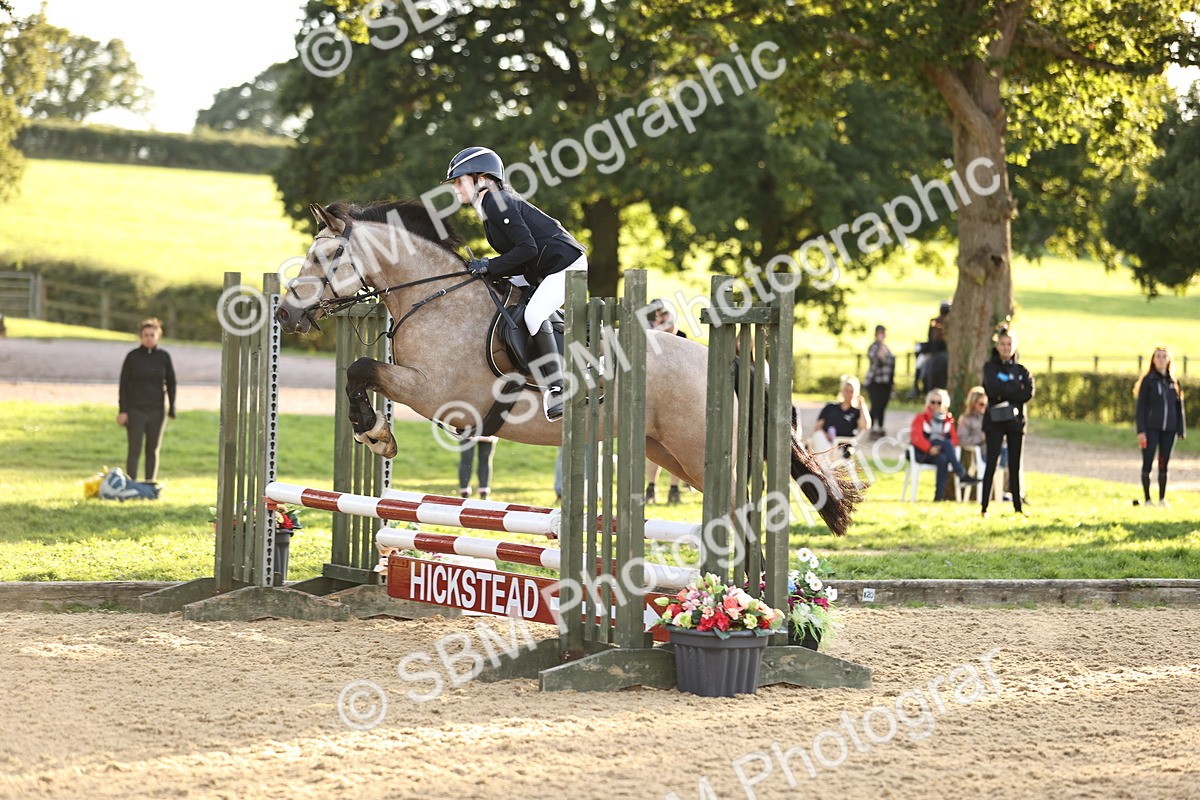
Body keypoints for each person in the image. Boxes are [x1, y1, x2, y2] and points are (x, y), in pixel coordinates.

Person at [448, 146, 587, 422]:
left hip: (566, 266)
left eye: (460, 180)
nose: (455, 188)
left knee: (535, 314)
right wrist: (491, 269)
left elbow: (527, 248)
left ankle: (559, 387)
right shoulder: (489, 206)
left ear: (483, 179)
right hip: (541, 268)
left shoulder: (498, 203)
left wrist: (490, 265)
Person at [980, 326, 1034, 518]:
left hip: (1016, 422)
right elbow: (992, 390)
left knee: (1015, 464)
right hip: (995, 421)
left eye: (1009, 344)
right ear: (997, 345)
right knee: (992, 462)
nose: (1006, 347)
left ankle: (1018, 507)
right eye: (1003, 344)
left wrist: (1006, 388)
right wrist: (1013, 387)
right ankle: (984, 506)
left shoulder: (1022, 370)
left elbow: (1027, 393)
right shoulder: (990, 367)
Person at [117, 317, 176, 483]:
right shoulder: (132, 357)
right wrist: (123, 410)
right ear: (140, 337)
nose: (149, 338)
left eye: (152, 334)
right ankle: (131, 484)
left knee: (152, 449)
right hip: (135, 409)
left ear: (158, 336)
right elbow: (123, 385)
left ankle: (149, 483)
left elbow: (171, 382)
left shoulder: (164, 357)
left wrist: (172, 407)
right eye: (145, 335)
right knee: (134, 449)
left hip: (157, 410)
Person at [1134, 346, 1186, 508]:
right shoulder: (1148, 381)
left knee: (1164, 463)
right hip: (1150, 430)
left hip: (1169, 430)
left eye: (1164, 356)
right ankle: (1148, 500)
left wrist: (1180, 429)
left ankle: (1162, 499)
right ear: (1153, 360)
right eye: (1158, 356)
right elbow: (1140, 408)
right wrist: (1141, 431)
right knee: (1148, 462)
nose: (1161, 359)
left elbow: (1179, 407)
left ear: (1169, 360)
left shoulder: (1173, 382)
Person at [910, 388, 978, 501]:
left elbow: (955, 439)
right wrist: (929, 448)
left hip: (940, 452)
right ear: (928, 402)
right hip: (923, 454)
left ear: (944, 404)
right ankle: (961, 473)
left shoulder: (948, 420)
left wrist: (941, 447)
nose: (935, 405)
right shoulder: (921, 418)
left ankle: (938, 497)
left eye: (939, 402)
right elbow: (916, 438)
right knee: (945, 444)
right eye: (933, 402)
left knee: (943, 458)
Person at [813, 376, 871, 458]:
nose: (848, 393)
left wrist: (862, 405)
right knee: (818, 436)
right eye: (846, 390)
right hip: (825, 441)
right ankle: (824, 466)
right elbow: (817, 426)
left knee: (827, 450)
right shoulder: (830, 407)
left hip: (842, 445)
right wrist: (826, 435)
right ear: (842, 391)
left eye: (851, 391)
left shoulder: (856, 411)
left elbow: (865, 426)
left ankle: (825, 468)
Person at [864, 324, 894, 438]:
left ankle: (880, 427)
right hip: (875, 382)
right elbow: (879, 360)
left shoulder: (887, 348)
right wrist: (880, 344)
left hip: (885, 383)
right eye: (881, 333)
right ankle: (872, 427)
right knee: (875, 405)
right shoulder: (874, 347)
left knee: (882, 406)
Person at [458, 435, 498, 500]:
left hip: (487, 430)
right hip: (467, 429)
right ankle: (465, 491)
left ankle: (483, 491)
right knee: (466, 459)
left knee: (485, 460)